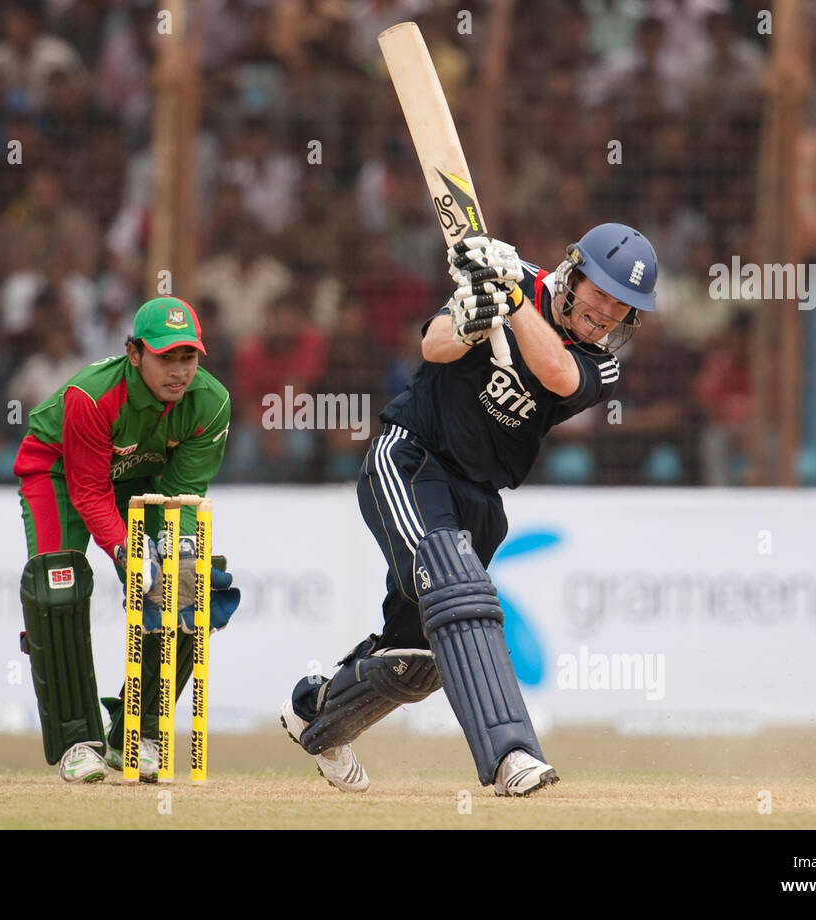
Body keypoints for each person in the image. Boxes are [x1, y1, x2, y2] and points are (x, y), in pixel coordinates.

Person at [280, 224, 658, 796]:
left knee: (417, 660)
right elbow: (433, 345)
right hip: (410, 460)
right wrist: (472, 319)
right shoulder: (508, 276)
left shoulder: (599, 364)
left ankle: (316, 712)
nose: (606, 313)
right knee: (459, 588)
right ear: (572, 273)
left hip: (479, 499)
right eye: (600, 293)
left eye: (622, 307)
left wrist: (508, 301)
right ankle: (512, 755)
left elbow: (557, 374)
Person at [12, 297, 234, 783]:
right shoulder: (92, 397)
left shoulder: (211, 402)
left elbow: (182, 497)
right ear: (134, 354)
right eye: (165, 358)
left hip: (145, 483)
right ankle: (78, 742)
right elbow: (90, 494)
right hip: (60, 475)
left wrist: (174, 561)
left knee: (184, 589)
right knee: (58, 589)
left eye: (188, 358)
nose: (179, 372)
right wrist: (131, 555)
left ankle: (138, 733)